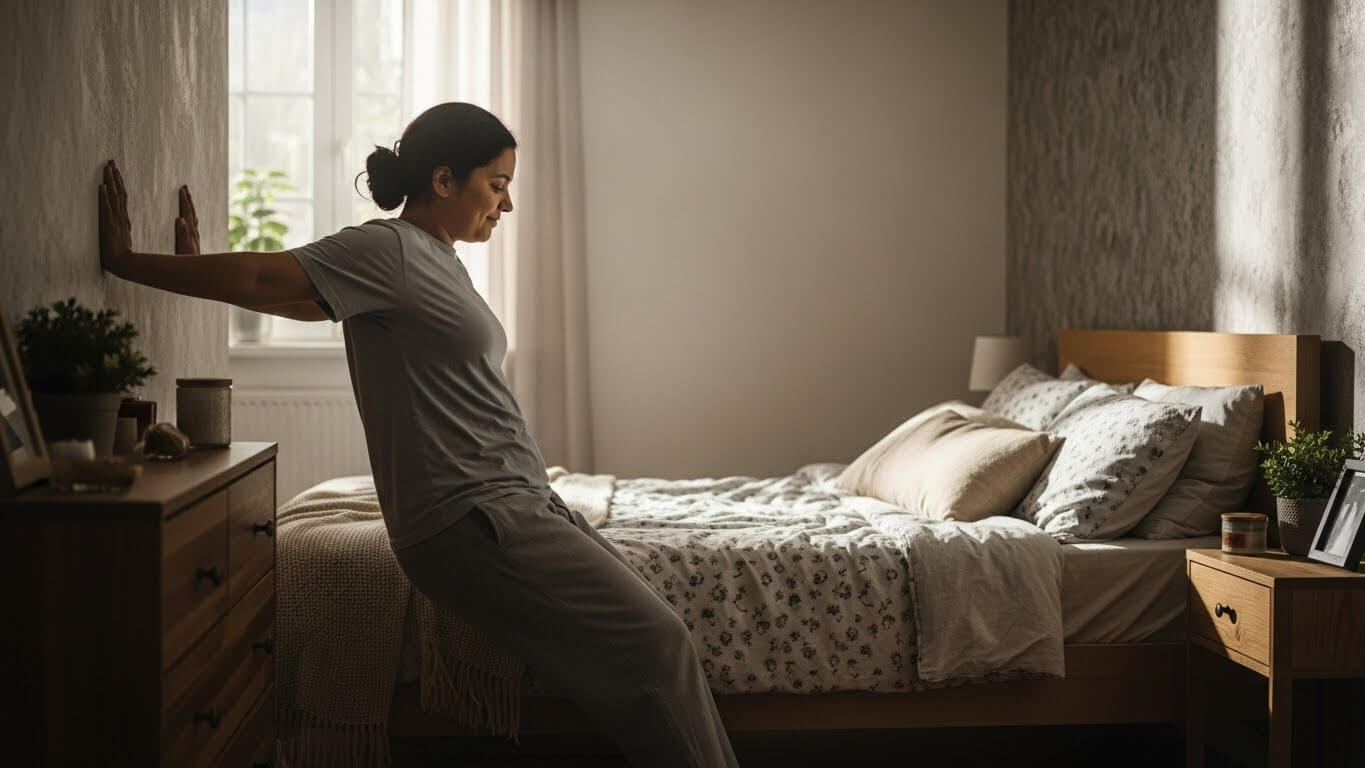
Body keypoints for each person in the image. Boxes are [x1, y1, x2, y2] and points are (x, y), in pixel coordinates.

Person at [98, 102, 738, 768]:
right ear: (442, 180)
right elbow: (267, 275)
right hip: (471, 515)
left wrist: (195, 269)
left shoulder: (434, 259)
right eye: (495, 185)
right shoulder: (388, 249)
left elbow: (297, 299)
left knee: (657, 637)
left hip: (514, 504)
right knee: (656, 643)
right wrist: (127, 262)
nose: (507, 204)